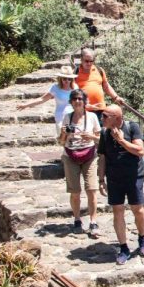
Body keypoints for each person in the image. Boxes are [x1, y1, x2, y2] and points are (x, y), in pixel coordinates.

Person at [97, 104, 144, 265]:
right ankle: (123, 247)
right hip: (114, 177)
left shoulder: (132, 128)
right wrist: (100, 179)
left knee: (137, 210)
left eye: (105, 116)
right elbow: (102, 158)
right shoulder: (104, 133)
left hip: (133, 176)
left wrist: (121, 141)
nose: (101, 118)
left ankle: (142, 237)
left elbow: (140, 151)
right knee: (117, 211)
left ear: (116, 118)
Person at [58, 89, 101, 235]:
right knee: (75, 191)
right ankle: (77, 219)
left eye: (80, 99)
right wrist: (65, 134)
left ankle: (93, 221)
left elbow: (101, 139)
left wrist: (91, 137)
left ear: (84, 101)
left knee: (92, 189)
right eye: (75, 99)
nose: (77, 101)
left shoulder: (93, 117)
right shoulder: (67, 118)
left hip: (89, 155)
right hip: (71, 156)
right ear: (71, 101)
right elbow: (61, 142)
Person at [76, 47, 122, 117]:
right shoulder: (75, 73)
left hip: (100, 110)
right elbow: (70, 91)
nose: (89, 63)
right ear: (81, 60)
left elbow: (106, 86)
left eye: (91, 61)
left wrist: (116, 97)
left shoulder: (99, 70)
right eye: (86, 61)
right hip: (83, 110)